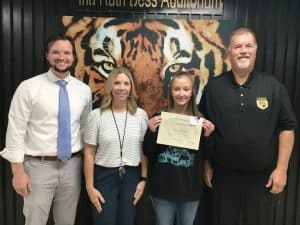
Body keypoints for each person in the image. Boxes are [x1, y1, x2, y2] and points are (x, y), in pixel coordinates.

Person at [198, 27, 297, 225]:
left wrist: (282, 169)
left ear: (255, 51)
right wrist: (206, 164)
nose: (243, 50)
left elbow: (287, 128)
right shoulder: (213, 87)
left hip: (262, 178)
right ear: (229, 52)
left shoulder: (273, 86)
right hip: (224, 177)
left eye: (248, 46)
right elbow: (203, 129)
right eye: (237, 46)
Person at [0, 34, 92, 225]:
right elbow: (15, 131)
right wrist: (18, 172)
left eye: (67, 52)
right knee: (35, 221)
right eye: (56, 52)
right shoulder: (28, 88)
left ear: (74, 57)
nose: (61, 57)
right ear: (47, 56)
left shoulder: (83, 90)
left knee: (67, 221)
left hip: (72, 166)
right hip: (37, 167)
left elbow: (85, 128)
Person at [143, 71, 215, 225]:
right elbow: (148, 152)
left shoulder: (200, 121)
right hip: (162, 189)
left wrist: (208, 137)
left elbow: (207, 156)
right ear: (171, 91)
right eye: (177, 89)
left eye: (186, 89)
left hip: (190, 189)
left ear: (192, 92)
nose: (181, 93)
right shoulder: (159, 117)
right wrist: (151, 132)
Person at [83, 66, 148, 225]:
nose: (121, 88)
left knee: (128, 221)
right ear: (110, 86)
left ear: (131, 87)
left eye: (126, 83)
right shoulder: (96, 116)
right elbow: (89, 153)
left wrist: (143, 179)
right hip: (103, 176)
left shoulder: (140, 115)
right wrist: (89, 187)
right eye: (117, 83)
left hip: (132, 176)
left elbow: (143, 151)